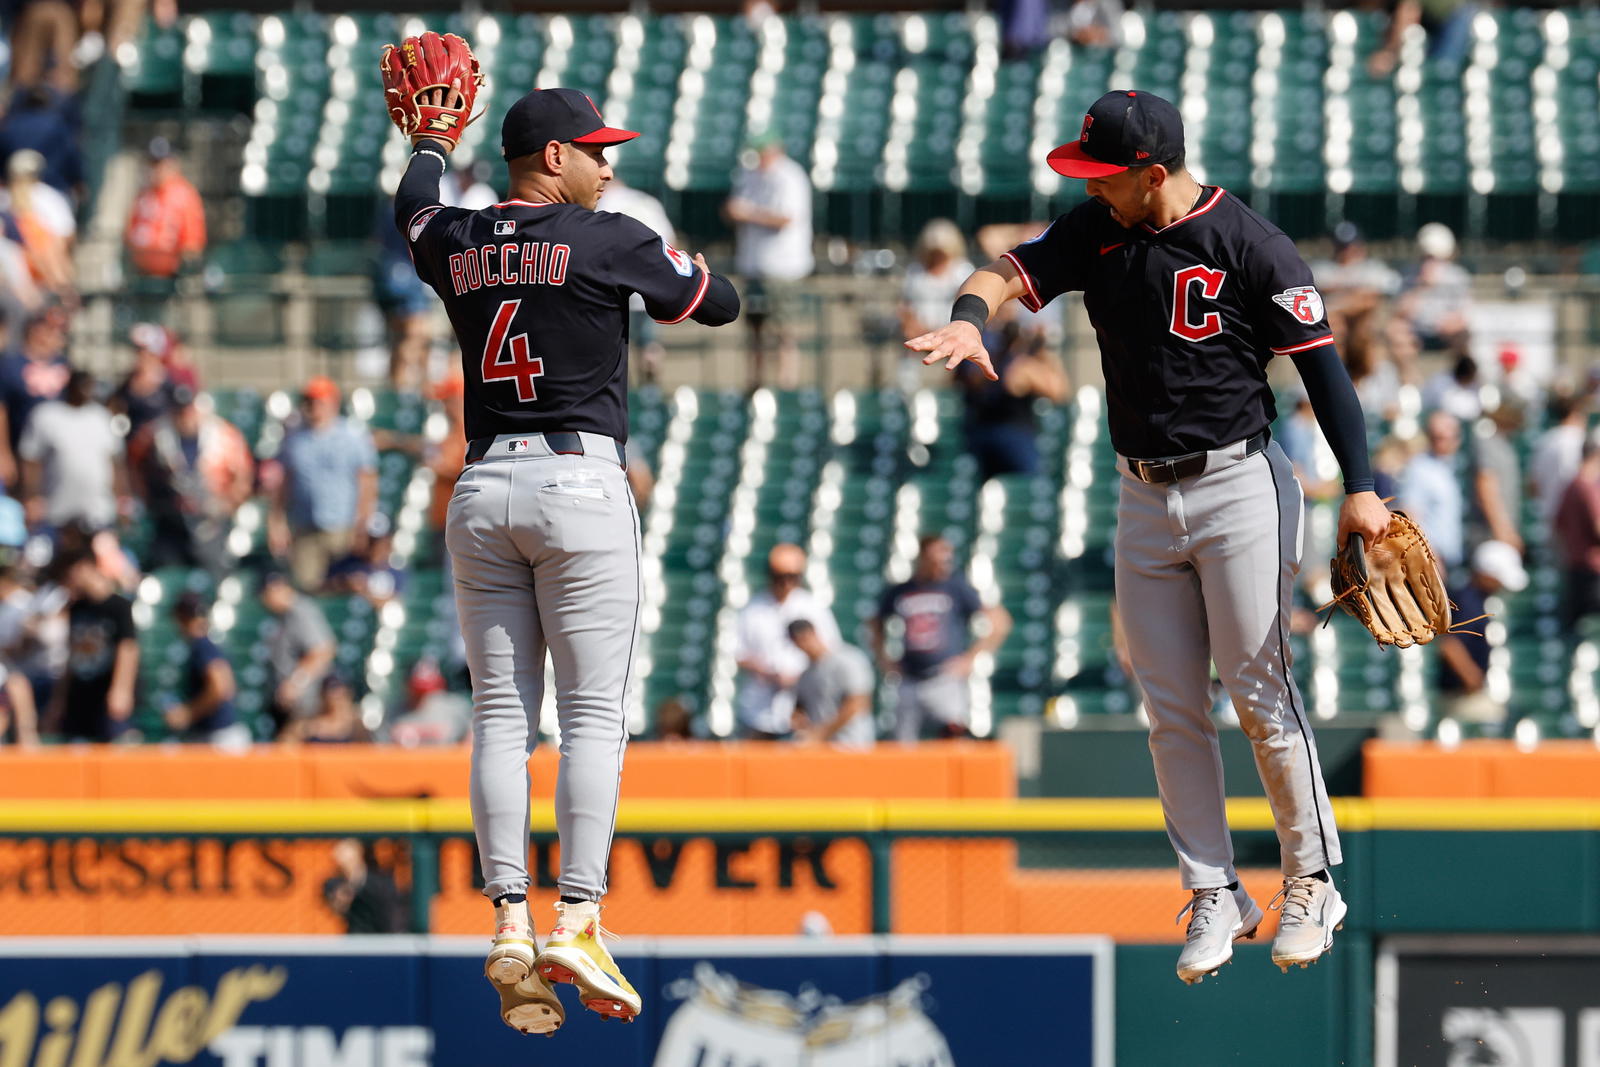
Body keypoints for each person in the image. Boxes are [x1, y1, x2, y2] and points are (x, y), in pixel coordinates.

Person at [906, 90, 1389, 982]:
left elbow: (1326, 374)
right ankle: (1216, 890)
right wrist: (969, 321)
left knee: (1257, 686)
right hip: (1140, 492)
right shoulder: (1098, 228)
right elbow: (1001, 274)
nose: (1091, 187)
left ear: (1153, 173)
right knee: (1168, 703)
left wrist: (1362, 489)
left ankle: (1311, 877)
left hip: (1242, 481)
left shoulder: (1251, 243)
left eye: (1104, 174)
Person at [391, 70, 739, 1034]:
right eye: (595, 150)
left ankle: (509, 920)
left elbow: (413, 209)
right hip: (580, 481)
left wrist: (426, 145)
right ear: (554, 156)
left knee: (501, 717)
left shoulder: (456, 237)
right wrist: (690, 265)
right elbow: (717, 305)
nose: (605, 164)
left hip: (482, 482)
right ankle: (578, 915)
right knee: (592, 716)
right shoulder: (608, 234)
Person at [870, 535, 1011, 741]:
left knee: (953, 735)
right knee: (902, 743)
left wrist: (970, 658)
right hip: (909, 678)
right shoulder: (902, 590)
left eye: (946, 559)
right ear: (923, 558)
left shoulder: (956, 587)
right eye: (935, 558)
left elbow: (1000, 622)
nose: (942, 564)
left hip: (944, 677)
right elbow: (874, 623)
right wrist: (884, 658)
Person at [127, 384, 255, 575]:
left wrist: (228, 503)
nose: (185, 414)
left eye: (188, 408)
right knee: (169, 572)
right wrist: (144, 497)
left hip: (211, 519)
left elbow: (244, 473)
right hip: (172, 519)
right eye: (179, 409)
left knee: (215, 573)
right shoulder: (155, 434)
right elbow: (132, 465)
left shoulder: (223, 434)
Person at [269, 376, 378, 591]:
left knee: (345, 585)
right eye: (309, 401)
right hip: (305, 526)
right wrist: (277, 522)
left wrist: (363, 523)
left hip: (343, 525)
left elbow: (367, 483)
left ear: (333, 403)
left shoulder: (352, 437)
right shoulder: (294, 439)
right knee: (306, 587)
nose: (313, 407)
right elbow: (284, 482)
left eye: (319, 401)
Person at [724, 130, 812, 390]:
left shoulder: (789, 176)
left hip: (783, 267)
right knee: (755, 329)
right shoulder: (749, 174)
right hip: (754, 264)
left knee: (784, 331)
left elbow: (786, 218)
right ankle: (755, 383)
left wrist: (747, 213)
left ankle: (786, 385)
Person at [734, 543, 840, 740]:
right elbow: (739, 654)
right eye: (779, 576)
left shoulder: (813, 607)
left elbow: (830, 651)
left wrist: (801, 678)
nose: (786, 583)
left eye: (792, 577)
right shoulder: (752, 609)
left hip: (804, 708)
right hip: (760, 708)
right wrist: (769, 673)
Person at [957, 314, 1070, 480]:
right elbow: (1058, 391)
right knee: (1027, 488)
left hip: (985, 431)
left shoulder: (1001, 361)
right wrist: (1044, 353)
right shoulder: (1018, 366)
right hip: (1011, 435)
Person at [45, 546, 139, 742]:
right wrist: (59, 700)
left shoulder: (118, 606)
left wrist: (121, 689)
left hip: (106, 692)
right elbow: (72, 655)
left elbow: (128, 648)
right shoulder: (77, 608)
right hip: (81, 692)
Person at [18, 369, 126, 532]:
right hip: (56, 511)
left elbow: (115, 462)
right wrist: (32, 496)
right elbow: (30, 460)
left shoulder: (102, 417)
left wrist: (121, 499)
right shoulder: (46, 414)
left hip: (99, 512)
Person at [1436, 541, 1526, 731]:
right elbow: (1449, 645)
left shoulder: (1472, 599)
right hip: (1462, 697)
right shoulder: (1468, 601)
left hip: (1464, 694)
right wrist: (1472, 679)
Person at [601, 175, 678, 384]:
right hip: (652, 285)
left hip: (615, 289)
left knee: (617, 347)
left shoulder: (602, 203)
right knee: (649, 344)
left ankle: (631, 392)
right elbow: (671, 244)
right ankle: (649, 389)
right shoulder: (647, 201)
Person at [123, 137, 205, 311]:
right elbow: (130, 232)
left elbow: (192, 245)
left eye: (160, 163)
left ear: (173, 163)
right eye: (152, 163)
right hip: (140, 279)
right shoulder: (143, 194)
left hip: (170, 284)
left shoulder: (184, 195)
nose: (156, 169)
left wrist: (182, 273)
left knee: (169, 334)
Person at [899, 220, 975, 391]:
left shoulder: (962, 270)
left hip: (953, 336)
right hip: (919, 337)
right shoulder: (915, 271)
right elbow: (905, 306)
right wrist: (915, 328)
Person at [0, 306, 69, 489]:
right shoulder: (10, 364)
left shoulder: (64, 365)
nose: (54, 335)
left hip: (57, 455)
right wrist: (3, 453)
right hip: (20, 450)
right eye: (49, 328)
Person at [260, 568, 336, 732]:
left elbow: (323, 651)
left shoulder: (301, 611)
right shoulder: (281, 615)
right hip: (289, 705)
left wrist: (296, 683)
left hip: (307, 703)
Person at [164, 592, 244, 743]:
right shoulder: (208, 643)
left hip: (218, 738)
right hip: (222, 735)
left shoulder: (202, 645)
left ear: (182, 618)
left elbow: (221, 688)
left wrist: (189, 713)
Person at [788, 618, 875, 747]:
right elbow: (799, 711)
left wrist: (820, 734)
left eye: (805, 637)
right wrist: (799, 723)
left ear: (814, 633)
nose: (804, 644)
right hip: (823, 749)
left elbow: (858, 704)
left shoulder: (849, 659)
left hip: (853, 746)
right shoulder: (805, 675)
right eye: (798, 641)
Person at [1398, 411, 1466, 571]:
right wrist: (1430, 556)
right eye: (1435, 437)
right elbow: (1410, 515)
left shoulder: (1452, 467)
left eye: (1445, 437)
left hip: (1450, 559)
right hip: (1432, 560)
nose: (1440, 443)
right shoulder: (1419, 467)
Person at [1554, 439, 1600, 630]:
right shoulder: (1586, 487)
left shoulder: (1571, 485)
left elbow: (1559, 523)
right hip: (1592, 570)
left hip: (1575, 566)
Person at [1529, 390, 1588, 530]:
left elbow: (1533, 486)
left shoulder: (1544, 441)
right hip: (1574, 517)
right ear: (1576, 413)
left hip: (1549, 516)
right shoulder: (1580, 440)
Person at [322, 838, 407, 934]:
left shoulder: (380, 882)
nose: (338, 856)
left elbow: (389, 912)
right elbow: (336, 903)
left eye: (346, 852)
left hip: (381, 938)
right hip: (356, 940)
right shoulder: (336, 883)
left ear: (358, 852)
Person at [325, 512, 405, 606]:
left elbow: (393, 606)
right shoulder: (346, 556)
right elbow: (318, 584)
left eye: (375, 543)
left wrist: (366, 592)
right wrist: (344, 582)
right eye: (370, 540)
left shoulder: (396, 571)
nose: (367, 544)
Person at [284, 672, 369, 743]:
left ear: (349, 693)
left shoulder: (357, 724)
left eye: (341, 691)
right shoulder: (310, 724)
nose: (337, 695)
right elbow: (285, 747)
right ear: (323, 695)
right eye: (332, 690)